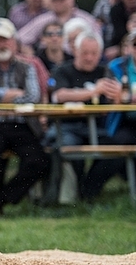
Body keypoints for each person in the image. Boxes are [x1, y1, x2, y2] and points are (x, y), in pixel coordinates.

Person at [0, 18, 48, 218]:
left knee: (39, 161)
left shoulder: (27, 66)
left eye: (4, 40)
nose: (0, 44)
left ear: (14, 42)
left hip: (22, 125)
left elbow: (33, 96)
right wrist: (11, 94)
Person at [83, 28, 136, 201]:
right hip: (126, 121)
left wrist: (130, 97)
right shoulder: (116, 66)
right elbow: (110, 96)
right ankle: (87, 194)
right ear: (129, 47)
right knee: (115, 148)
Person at [48, 31, 121, 202]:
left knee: (116, 151)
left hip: (96, 127)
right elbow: (60, 95)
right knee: (70, 149)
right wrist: (93, 91)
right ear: (75, 51)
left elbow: (114, 100)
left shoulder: (105, 71)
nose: (89, 58)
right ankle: (70, 196)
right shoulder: (62, 70)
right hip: (66, 126)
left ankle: (89, 191)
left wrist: (117, 94)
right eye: (85, 53)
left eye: (94, 54)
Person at [18, 0, 101, 49]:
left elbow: (98, 42)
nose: (58, 2)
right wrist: (26, 49)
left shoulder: (86, 19)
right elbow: (19, 39)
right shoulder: (43, 20)